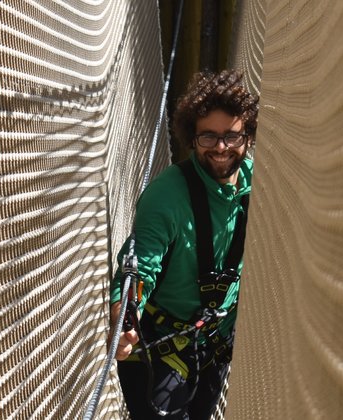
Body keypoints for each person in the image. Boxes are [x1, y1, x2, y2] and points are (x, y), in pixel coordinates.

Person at [109, 69, 258, 419]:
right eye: (208, 137)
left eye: (231, 136)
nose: (221, 147)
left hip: (214, 346)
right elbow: (139, 263)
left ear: (247, 137)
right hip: (158, 347)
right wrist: (124, 316)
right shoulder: (166, 196)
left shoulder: (262, 185)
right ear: (192, 139)